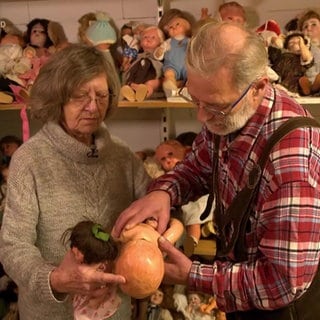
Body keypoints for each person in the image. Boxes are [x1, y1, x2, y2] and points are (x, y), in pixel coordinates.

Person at [113, 21, 320, 320]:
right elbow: (199, 166)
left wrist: (194, 275)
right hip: (242, 291)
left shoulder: (292, 160)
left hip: (284, 309)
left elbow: (283, 283)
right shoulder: (229, 110)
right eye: (194, 99)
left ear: (259, 87)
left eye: (213, 107)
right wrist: (163, 192)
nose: (200, 116)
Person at [0, 43, 151, 320]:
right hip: (49, 313)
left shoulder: (123, 156)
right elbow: (13, 246)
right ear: (57, 98)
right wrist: (55, 279)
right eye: (80, 96)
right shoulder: (30, 160)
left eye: (102, 95)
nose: (93, 107)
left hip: (115, 313)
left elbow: (152, 216)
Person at [62, 220, 121, 319]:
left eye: (80, 252)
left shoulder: (101, 267)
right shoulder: (71, 257)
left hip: (94, 292)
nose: (75, 251)